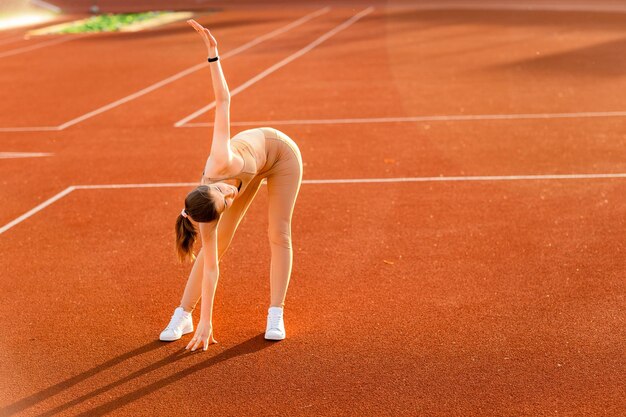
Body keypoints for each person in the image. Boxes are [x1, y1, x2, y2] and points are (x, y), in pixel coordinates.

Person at [158, 20, 303, 352]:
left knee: (278, 232)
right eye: (228, 198)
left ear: (213, 185)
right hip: (251, 171)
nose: (231, 194)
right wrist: (206, 320)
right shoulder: (206, 215)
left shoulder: (219, 160)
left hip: (280, 155)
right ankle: (184, 314)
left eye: (224, 191)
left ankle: (275, 312)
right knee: (217, 247)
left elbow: (223, 100)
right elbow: (211, 267)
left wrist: (213, 55)